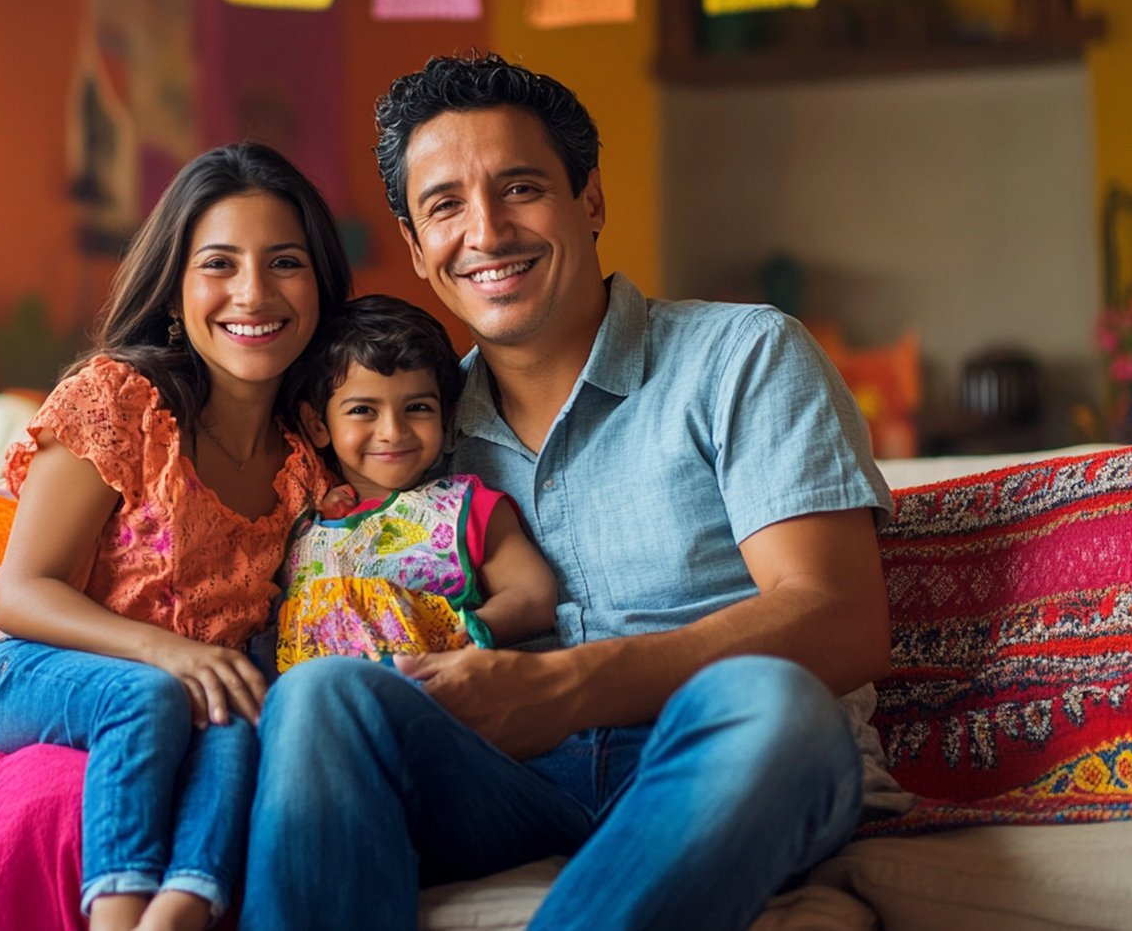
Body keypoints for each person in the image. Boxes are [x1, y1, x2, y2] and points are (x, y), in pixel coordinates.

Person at [242, 54, 898, 931]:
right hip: (510, 780)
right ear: (416, 248)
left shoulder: (742, 355)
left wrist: (568, 685)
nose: (486, 230)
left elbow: (840, 617)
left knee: (770, 701)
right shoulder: (411, 436)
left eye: (520, 188)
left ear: (589, 201)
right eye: (444, 206)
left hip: (713, 756)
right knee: (320, 696)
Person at [0, 142, 350, 931]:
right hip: (32, 672)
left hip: (196, 688)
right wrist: (170, 653)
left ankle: (177, 913)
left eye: (285, 262)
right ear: (176, 292)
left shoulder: (312, 456)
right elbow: (19, 593)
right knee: (155, 696)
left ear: (318, 287)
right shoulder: (117, 402)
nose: (253, 292)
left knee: (245, 711)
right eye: (219, 264)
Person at [273, 293, 557, 671]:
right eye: (363, 411)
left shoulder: (464, 509)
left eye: (418, 408)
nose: (393, 431)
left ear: (446, 413)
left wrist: (466, 637)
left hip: (425, 698)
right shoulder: (301, 518)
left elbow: (534, 596)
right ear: (318, 424)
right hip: (310, 707)